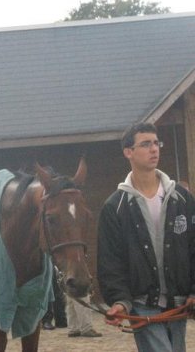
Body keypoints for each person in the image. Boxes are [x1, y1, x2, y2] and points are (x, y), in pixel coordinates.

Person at [97, 122, 195, 351]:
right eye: (145, 144)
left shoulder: (183, 199)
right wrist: (120, 301)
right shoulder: (115, 208)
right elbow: (110, 262)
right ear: (128, 152)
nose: (154, 149)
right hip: (142, 305)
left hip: (178, 304)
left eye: (156, 143)